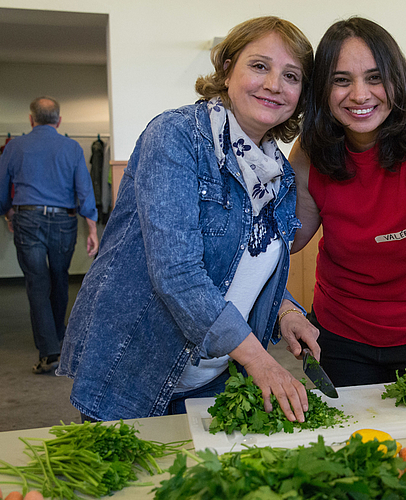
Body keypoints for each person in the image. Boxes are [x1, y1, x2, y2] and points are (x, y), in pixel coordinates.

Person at [58, 16, 319, 422]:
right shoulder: (176, 136)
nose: (274, 85)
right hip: (135, 370)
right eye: (260, 66)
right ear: (228, 68)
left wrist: (286, 310)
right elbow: (177, 272)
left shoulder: (278, 172)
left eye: (291, 75)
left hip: (213, 377)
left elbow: (240, 261)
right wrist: (262, 361)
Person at [290, 17, 406, 408]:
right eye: (341, 80)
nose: (359, 94)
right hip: (339, 336)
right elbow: (281, 244)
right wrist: (281, 308)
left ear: (396, 80)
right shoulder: (310, 150)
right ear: (322, 89)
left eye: (375, 77)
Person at [0, 97, 99, 374]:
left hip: (27, 217)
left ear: (31, 119)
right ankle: (58, 343)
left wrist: (8, 212)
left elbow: (1, 186)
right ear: (59, 120)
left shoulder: (14, 146)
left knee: (37, 283)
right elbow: (84, 189)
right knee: (59, 278)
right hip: (63, 221)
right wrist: (91, 229)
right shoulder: (72, 147)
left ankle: (49, 351)